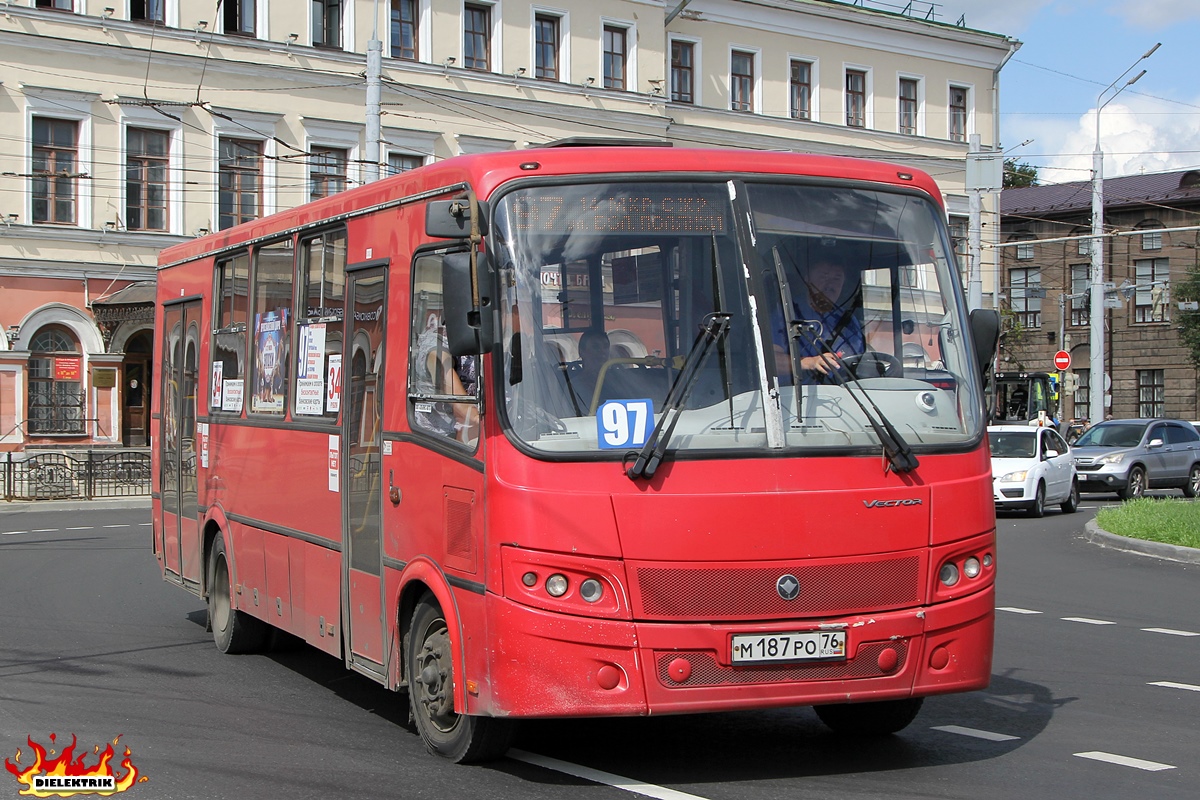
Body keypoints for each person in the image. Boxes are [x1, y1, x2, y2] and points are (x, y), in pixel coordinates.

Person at [774, 257, 865, 380]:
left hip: (845, 394)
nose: (830, 284)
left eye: (837, 279)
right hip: (795, 394)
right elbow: (771, 360)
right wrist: (808, 362)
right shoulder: (786, 313)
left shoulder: (849, 321)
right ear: (807, 279)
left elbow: (860, 362)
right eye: (824, 276)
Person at [564, 329, 612, 415]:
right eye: (595, 347)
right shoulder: (575, 386)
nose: (602, 352)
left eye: (605, 347)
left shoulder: (618, 381)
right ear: (582, 352)